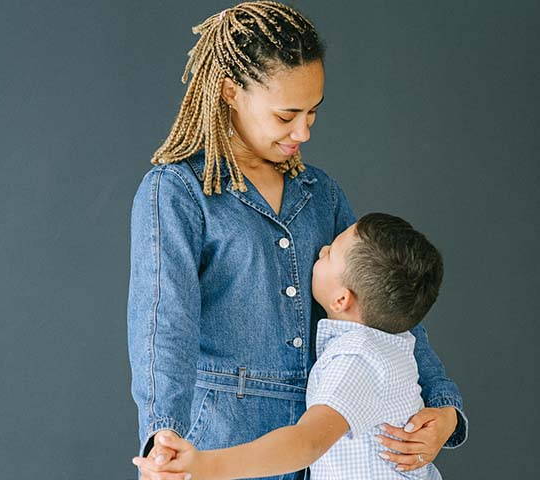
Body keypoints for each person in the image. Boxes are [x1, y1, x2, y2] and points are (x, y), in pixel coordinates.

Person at [127, 2, 468, 480]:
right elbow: (163, 324)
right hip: (220, 448)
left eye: (312, 112)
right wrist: (163, 432)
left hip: (327, 452)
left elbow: (386, 309)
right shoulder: (178, 191)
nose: (303, 131)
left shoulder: (321, 193)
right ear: (229, 92)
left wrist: (444, 407)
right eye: (287, 114)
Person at [132, 212, 447, 479]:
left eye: (330, 253)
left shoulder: (356, 361)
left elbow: (306, 443)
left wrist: (204, 465)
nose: (322, 249)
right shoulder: (394, 344)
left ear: (342, 298)